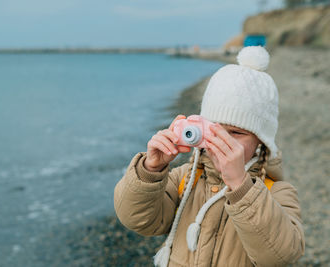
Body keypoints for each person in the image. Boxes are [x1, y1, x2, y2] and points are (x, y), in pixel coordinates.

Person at [113, 46, 305, 266]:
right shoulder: (184, 179)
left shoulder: (277, 192)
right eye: (214, 130)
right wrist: (150, 170)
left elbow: (281, 254)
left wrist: (241, 186)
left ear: (261, 141)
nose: (222, 140)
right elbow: (138, 219)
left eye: (236, 133)